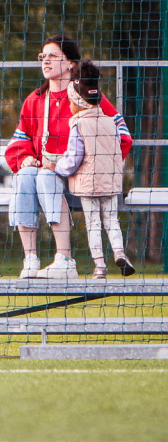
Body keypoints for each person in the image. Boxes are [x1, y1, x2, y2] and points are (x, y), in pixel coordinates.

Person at [6, 36, 132, 279]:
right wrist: (24, 159)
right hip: (44, 178)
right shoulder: (34, 101)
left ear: (71, 64)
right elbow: (18, 143)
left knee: (46, 175)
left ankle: (65, 259)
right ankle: (30, 258)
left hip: (83, 184)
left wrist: (83, 165)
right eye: (43, 56)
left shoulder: (89, 97)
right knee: (26, 175)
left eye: (53, 56)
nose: (46, 61)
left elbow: (122, 136)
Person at [48, 60, 135, 279]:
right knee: (112, 221)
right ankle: (120, 253)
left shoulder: (78, 124)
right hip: (111, 183)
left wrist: (56, 167)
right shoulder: (111, 123)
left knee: (93, 224)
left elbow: (73, 159)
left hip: (88, 184)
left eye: (70, 101)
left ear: (78, 100)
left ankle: (100, 266)